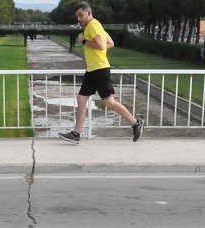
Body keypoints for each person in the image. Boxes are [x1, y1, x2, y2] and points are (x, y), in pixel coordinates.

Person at [59, 2, 144, 144]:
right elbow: (110, 43)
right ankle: (76, 134)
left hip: (99, 70)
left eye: (80, 15)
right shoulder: (95, 26)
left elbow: (101, 45)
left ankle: (136, 123)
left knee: (109, 102)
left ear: (88, 13)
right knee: (81, 99)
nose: (78, 19)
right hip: (92, 70)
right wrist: (97, 49)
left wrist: (84, 41)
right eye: (77, 16)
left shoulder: (93, 25)